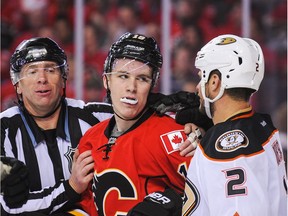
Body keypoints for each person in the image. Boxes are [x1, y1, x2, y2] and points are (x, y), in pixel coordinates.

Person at [0, 37, 201, 215]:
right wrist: (70, 188)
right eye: (32, 71)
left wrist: (197, 125)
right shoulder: (4, 130)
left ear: (63, 79)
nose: (42, 79)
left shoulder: (94, 119)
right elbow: (6, 208)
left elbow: (131, 113)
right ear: (16, 83)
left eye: (51, 70)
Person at [77, 32, 193, 216]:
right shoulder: (90, 140)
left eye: (142, 78)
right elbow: (85, 208)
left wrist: (169, 204)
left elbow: (207, 195)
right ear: (107, 80)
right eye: (123, 76)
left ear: (151, 85)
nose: (132, 87)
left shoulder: (171, 137)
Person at [182, 34, 287, 216]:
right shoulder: (259, 125)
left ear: (215, 82)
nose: (198, 87)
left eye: (202, 77)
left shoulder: (229, 146)